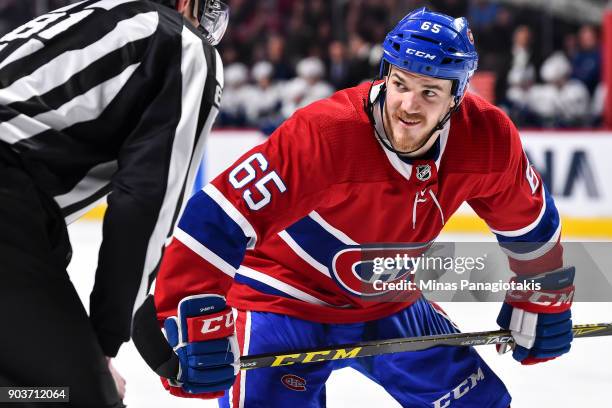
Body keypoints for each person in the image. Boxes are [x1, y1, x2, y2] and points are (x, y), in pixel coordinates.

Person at [153, 8, 574, 407]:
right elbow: (217, 216)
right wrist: (184, 311)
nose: (409, 106)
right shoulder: (325, 136)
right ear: (385, 76)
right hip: (281, 304)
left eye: (430, 92)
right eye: (402, 84)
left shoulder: (488, 139)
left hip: (389, 302)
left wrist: (543, 291)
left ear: (457, 96)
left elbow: (530, 224)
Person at [0, 0, 227, 406]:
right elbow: (143, 204)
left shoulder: (81, 17)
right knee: (72, 396)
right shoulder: (182, 43)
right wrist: (100, 352)